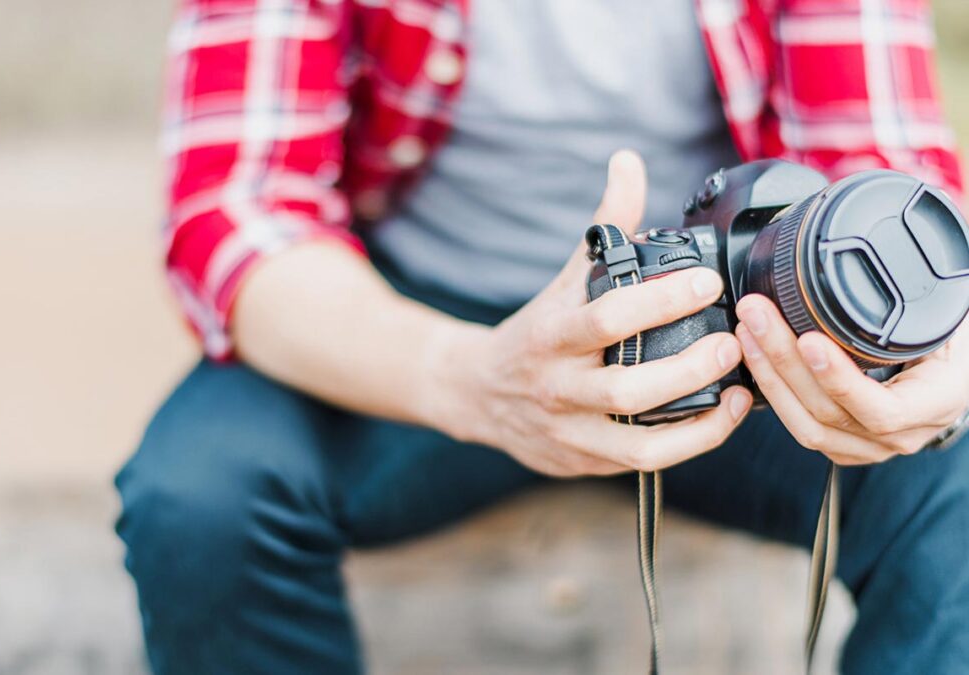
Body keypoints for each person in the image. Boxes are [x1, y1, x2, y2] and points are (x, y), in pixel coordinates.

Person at [115, 0, 969, 672]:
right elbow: (237, 205)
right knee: (199, 501)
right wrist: (467, 376)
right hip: (413, 308)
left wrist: (939, 367)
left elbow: (882, 175)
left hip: (729, 316)